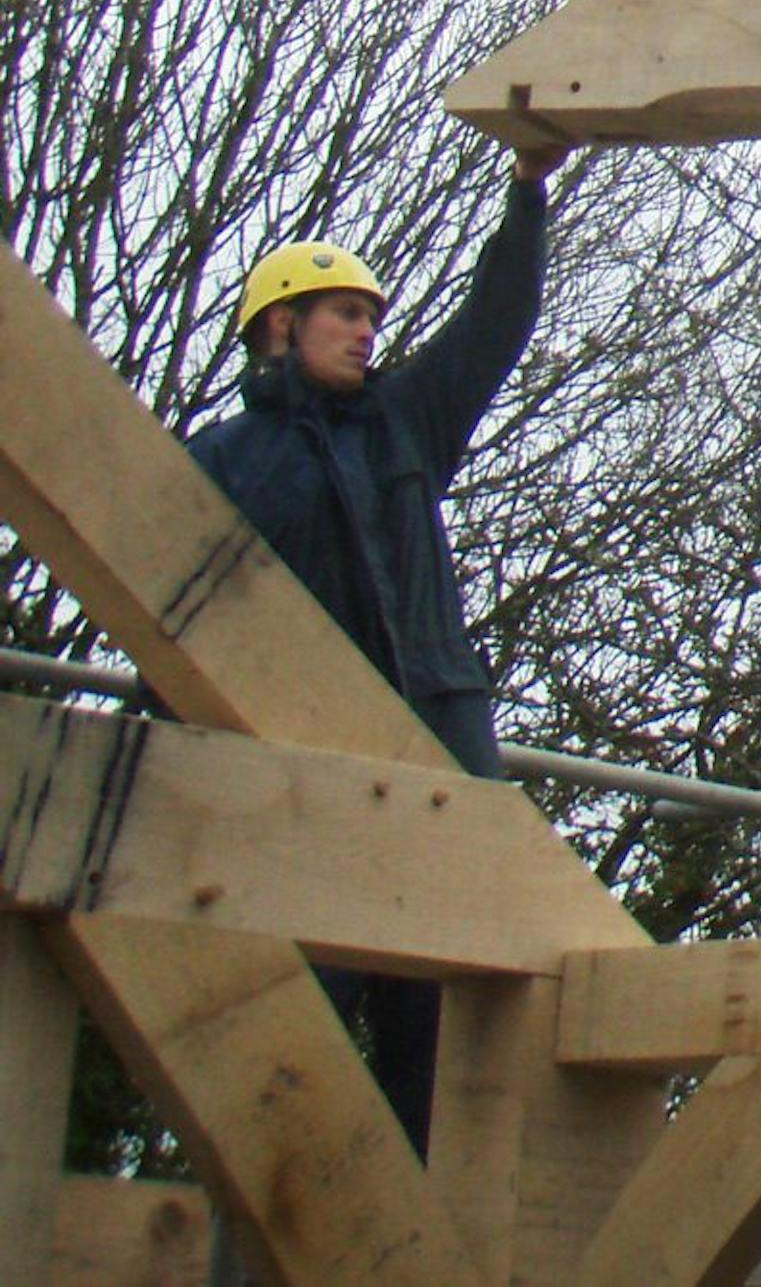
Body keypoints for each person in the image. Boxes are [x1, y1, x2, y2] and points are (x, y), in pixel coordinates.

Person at [188, 141, 567, 1153]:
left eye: (372, 319)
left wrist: (527, 194)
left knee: (443, 1016)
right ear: (281, 326)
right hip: (305, 765)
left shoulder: (403, 424)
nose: (367, 333)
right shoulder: (219, 464)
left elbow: (495, 328)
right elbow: (173, 614)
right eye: (347, 315)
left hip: (437, 727)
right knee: (298, 1012)